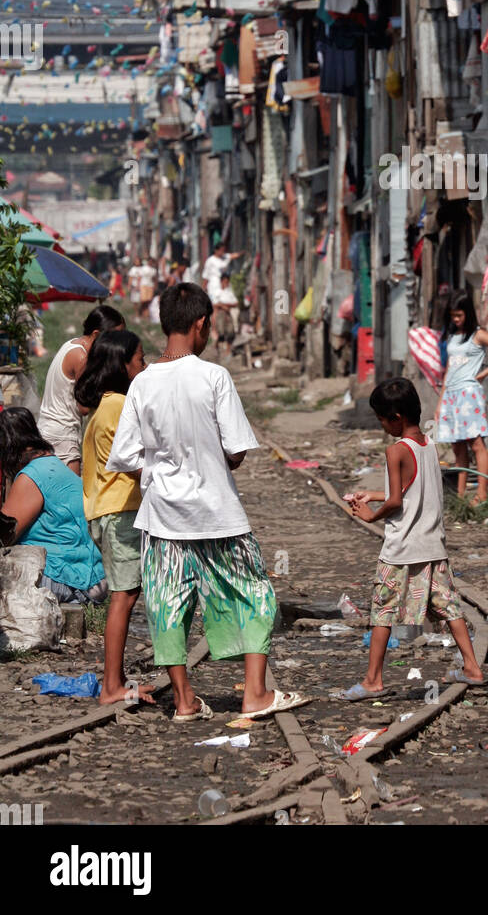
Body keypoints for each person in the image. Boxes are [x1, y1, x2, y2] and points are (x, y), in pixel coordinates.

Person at [106, 283, 297, 722]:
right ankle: (255, 693)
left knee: (167, 604)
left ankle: (185, 699)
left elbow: (124, 456)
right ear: (201, 324)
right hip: (218, 515)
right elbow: (237, 452)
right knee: (253, 594)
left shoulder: (142, 384)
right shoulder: (214, 377)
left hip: (162, 518)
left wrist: (157, 473)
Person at [342, 377, 483, 700]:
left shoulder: (396, 451)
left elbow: (396, 502)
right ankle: (472, 667)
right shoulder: (429, 445)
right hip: (433, 545)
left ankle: (372, 680)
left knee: (383, 611)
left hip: (402, 549)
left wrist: (370, 513)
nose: (382, 426)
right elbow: (413, 490)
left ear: (396, 418)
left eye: (381, 419)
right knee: (449, 606)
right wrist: (375, 494)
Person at [74, 329, 154, 707]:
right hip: (120, 511)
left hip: (105, 510)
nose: (145, 365)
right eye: (139, 359)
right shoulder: (119, 406)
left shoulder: (102, 405)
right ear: (122, 365)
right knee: (124, 596)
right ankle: (111, 686)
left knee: (125, 592)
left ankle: (116, 679)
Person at [0, 409, 107, 605]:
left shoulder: (31, 477)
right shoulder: (54, 466)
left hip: (66, 577)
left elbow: (4, 535)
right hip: (91, 576)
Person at [434, 290, 488, 504]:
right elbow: (449, 368)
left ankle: (482, 494)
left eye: (459, 315)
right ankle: (460, 496)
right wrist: (440, 402)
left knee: (476, 444)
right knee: (457, 447)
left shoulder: (478, 335)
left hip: (468, 395)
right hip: (450, 394)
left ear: (468, 314)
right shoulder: (453, 336)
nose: (456, 319)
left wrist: (482, 374)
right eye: (453, 315)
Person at [37, 304, 125, 475]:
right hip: (62, 433)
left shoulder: (72, 344)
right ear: (96, 335)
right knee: (72, 496)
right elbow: (84, 407)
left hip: (50, 428)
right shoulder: (82, 357)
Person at [213, 273, 239, 360]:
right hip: (220, 314)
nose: (226, 283)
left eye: (227, 282)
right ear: (221, 281)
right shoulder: (217, 291)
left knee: (230, 332)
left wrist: (225, 305)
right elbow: (215, 304)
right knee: (221, 333)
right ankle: (216, 347)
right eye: (225, 281)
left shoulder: (229, 292)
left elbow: (235, 302)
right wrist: (223, 306)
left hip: (228, 314)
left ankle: (228, 351)